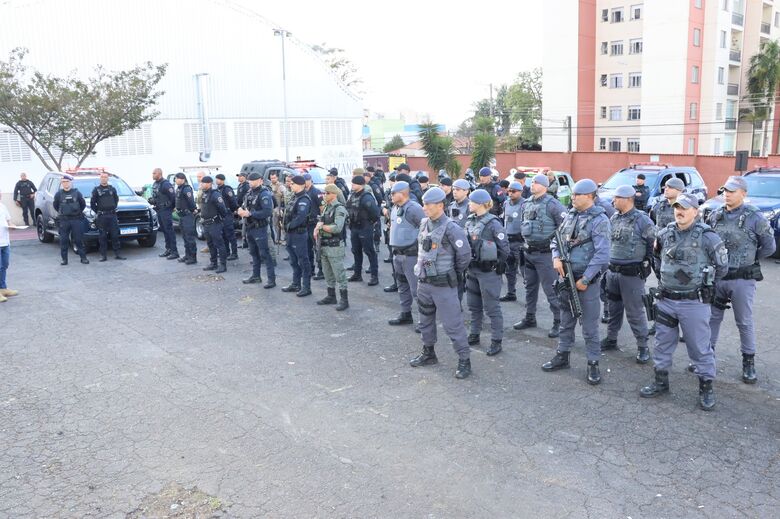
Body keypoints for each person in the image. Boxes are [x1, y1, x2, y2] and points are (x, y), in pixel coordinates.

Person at [640, 194, 728, 411]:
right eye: (677, 207)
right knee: (662, 342)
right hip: (667, 299)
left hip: (693, 302)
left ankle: (706, 386)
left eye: (685, 208)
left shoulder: (708, 237)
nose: (679, 211)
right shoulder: (665, 233)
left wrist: (703, 286)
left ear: (695, 211)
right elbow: (657, 259)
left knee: (699, 347)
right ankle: (661, 381)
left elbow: (722, 268)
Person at [706, 176, 776, 384]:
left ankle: (749, 363)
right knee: (711, 319)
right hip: (718, 278)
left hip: (742, 279)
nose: (727, 194)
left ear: (743, 194)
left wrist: (750, 259)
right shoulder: (715, 215)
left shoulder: (755, 217)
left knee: (743, 322)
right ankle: (706, 359)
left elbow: (769, 247)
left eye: (732, 191)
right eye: (725, 190)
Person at [543, 178, 611, 385]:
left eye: (577, 195)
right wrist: (555, 257)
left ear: (590, 197)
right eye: (572, 195)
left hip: (585, 280)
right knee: (566, 321)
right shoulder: (570, 215)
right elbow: (556, 239)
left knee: (589, 326)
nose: (573, 198)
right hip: (565, 276)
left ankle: (593, 363)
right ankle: (562, 356)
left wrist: (586, 279)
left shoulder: (600, 220)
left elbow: (602, 255)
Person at [409, 187, 473, 379]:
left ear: (440, 205)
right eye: (424, 203)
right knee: (425, 320)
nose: (424, 207)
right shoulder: (423, 224)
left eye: (428, 204)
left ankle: (464, 360)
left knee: (453, 324)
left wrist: (452, 274)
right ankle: (429, 353)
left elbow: (465, 256)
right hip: (424, 283)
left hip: (443, 285)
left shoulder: (452, 228)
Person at [600, 185, 655, 363]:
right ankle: (611, 338)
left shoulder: (642, 220)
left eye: (616, 198)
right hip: (613, 272)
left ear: (627, 199)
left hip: (632, 274)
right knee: (613, 308)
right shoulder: (614, 217)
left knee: (635, 312)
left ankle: (642, 346)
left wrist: (646, 265)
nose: (613, 201)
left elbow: (652, 244)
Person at [515, 174, 565, 337]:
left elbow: (565, 227)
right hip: (528, 252)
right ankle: (530, 317)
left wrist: (558, 251)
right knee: (529, 287)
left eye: (536, 182)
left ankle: (559, 321)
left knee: (551, 290)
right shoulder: (526, 203)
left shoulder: (553, 204)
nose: (533, 184)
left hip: (546, 254)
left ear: (544, 186)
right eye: (533, 182)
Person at [465, 189, 510, 356]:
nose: (469, 204)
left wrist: (496, 265)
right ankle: (475, 334)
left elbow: (505, 249)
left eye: (471, 201)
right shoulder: (470, 221)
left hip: (488, 272)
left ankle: (496, 340)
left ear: (480, 203)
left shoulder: (493, 223)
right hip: (472, 269)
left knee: (492, 307)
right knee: (473, 305)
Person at [387, 180, 425, 328]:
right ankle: (405, 314)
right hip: (397, 254)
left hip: (411, 255)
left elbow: (425, 228)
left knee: (417, 290)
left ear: (402, 194)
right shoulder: (396, 207)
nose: (390, 195)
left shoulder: (413, 208)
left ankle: (424, 321)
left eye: (393, 193)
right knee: (402, 286)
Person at [237, 172, 276, 288]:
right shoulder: (249, 193)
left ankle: (271, 280)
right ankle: (256, 276)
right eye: (249, 180)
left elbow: (267, 211)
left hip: (260, 228)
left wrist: (250, 214)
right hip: (250, 228)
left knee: (265, 254)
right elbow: (246, 206)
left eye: (253, 180)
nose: (250, 182)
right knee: (253, 253)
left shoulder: (264, 194)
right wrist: (241, 210)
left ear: (260, 180)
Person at [314, 184, 349, 310]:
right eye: (324, 193)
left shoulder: (339, 209)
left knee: (339, 273)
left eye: (327, 193)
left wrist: (321, 227)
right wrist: (317, 227)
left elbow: (337, 228)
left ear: (334, 194)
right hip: (324, 244)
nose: (325, 195)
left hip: (334, 246)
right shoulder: (326, 208)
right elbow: (322, 220)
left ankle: (344, 300)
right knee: (327, 272)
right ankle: (331, 296)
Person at [346, 174, 380, 286]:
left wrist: (369, 223)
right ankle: (357, 274)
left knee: (369, 251)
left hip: (365, 228)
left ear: (360, 185)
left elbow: (375, 213)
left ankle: (374, 276)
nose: (352, 185)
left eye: (354, 183)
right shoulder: (353, 195)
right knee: (356, 251)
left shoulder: (367, 197)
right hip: (354, 227)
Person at [282, 175, 313, 297]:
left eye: (293, 184)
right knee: (293, 260)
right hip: (291, 234)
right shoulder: (294, 197)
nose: (290, 185)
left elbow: (300, 217)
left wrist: (289, 225)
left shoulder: (304, 199)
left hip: (299, 234)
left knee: (303, 261)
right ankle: (296, 283)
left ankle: (306, 287)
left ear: (300, 185)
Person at [53, 175, 89, 265]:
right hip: (64, 220)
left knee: (78, 240)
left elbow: (82, 204)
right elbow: (56, 205)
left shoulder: (77, 193)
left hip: (76, 219)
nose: (65, 183)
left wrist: (76, 212)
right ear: (62, 183)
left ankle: (83, 258)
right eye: (63, 182)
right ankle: (64, 260)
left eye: (67, 181)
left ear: (70, 182)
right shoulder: (58, 194)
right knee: (63, 240)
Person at [90, 172, 126, 262]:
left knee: (115, 235)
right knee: (102, 237)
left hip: (112, 215)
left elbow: (116, 200)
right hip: (102, 216)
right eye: (102, 177)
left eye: (105, 177)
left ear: (107, 178)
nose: (103, 179)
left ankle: (117, 254)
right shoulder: (96, 190)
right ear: (100, 178)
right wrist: (99, 211)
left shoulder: (112, 189)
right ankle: (103, 256)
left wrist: (111, 208)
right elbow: (92, 203)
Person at [500, 181, 525, 302]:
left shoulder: (525, 204)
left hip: (520, 242)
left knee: (525, 271)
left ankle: (529, 299)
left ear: (520, 192)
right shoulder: (506, 203)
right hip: (508, 241)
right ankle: (511, 293)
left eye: (513, 191)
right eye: (509, 191)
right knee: (509, 270)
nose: (510, 193)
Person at [199, 176, 228, 273]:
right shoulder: (204, 194)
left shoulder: (215, 194)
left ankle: (223, 265)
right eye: (201, 183)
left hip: (214, 223)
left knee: (219, 244)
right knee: (210, 244)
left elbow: (223, 209)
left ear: (209, 183)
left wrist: (220, 219)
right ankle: (213, 263)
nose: (202, 184)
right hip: (206, 223)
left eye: (204, 183)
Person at [150, 168, 178, 259]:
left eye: (154, 173)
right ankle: (168, 249)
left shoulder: (166, 184)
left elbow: (173, 197)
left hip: (165, 210)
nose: (152, 174)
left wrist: (170, 207)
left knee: (169, 231)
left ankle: (174, 251)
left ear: (159, 174)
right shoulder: (156, 184)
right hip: (159, 210)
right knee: (164, 231)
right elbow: (157, 196)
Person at [303, 172, 324, 279]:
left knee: (318, 248)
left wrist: (321, 222)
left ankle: (321, 270)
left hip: (314, 224)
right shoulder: (303, 192)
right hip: (305, 224)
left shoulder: (316, 192)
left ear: (310, 180)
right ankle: (310, 270)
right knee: (307, 249)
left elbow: (322, 208)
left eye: (307, 180)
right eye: (304, 180)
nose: (305, 183)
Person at [174, 172, 198, 265]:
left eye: (177, 178)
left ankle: (193, 257)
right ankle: (187, 255)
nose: (175, 180)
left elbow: (191, 202)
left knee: (189, 237)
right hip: (181, 216)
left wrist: (193, 210)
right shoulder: (179, 188)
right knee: (184, 237)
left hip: (187, 215)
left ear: (182, 179)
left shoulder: (186, 189)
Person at [215, 174, 239, 261]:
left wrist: (234, 210)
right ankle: (226, 252)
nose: (217, 181)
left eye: (218, 179)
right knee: (223, 235)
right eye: (216, 179)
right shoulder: (217, 190)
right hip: (220, 214)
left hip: (227, 213)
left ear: (223, 180)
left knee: (230, 234)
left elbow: (233, 201)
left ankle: (234, 253)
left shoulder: (227, 189)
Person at [0, 191, 17, 303]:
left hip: (5, 242)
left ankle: (3, 288)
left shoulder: (2, 206)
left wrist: (12, 225)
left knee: (4, 265)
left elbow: (8, 220)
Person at [269, 171, 287, 245]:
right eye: (271, 178)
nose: (273, 179)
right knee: (275, 224)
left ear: (277, 178)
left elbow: (285, 198)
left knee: (282, 224)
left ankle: (284, 239)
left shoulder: (281, 187)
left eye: (274, 178)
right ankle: (278, 238)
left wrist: (284, 209)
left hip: (280, 208)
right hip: (273, 208)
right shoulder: (269, 186)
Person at [236, 171, 250, 248]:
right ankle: (244, 242)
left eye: (240, 176)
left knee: (245, 225)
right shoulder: (240, 185)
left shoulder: (246, 186)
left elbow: (246, 197)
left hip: (245, 208)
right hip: (240, 208)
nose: (239, 178)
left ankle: (246, 242)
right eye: (238, 176)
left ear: (244, 177)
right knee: (243, 225)